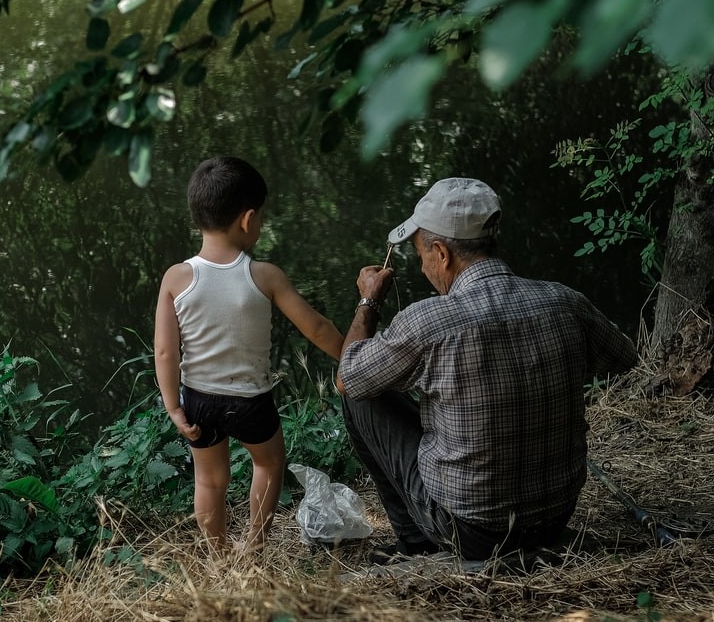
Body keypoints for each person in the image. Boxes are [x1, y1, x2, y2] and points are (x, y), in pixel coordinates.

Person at [337, 177, 638, 561]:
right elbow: (624, 357)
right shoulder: (565, 301)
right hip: (554, 518)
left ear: (442, 253)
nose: (423, 266)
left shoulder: (429, 321)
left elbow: (348, 378)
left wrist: (368, 301)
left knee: (361, 399)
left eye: (421, 255)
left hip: (472, 531)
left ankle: (417, 542)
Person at [155, 156, 345, 550]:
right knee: (269, 462)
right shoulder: (264, 275)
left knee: (209, 479)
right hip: (251, 402)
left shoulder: (176, 278)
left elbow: (164, 351)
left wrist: (175, 406)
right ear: (248, 219)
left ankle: (218, 553)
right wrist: (352, 354)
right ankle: (254, 547)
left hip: (198, 399)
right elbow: (316, 328)